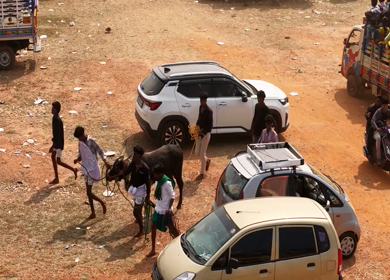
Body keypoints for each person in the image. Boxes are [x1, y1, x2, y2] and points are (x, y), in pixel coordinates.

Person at [73, 126, 109, 219]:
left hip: (93, 168)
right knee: (88, 192)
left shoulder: (92, 141)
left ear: (83, 134)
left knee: (89, 192)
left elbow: (100, 151)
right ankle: (93, 212)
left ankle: (102, 202)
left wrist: (105, 161)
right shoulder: (80, 143)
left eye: (79, 137)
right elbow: (81, 154)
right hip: (86, 169)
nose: (79, 139)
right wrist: (77, 159)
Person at [147, 163, 180, 257]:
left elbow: (172, 196)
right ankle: (153, 249)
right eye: (154, 174)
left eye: (156, 174)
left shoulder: (167, 183)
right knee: (153, 226)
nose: (155, 175)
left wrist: (169, 208)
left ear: (161, 174)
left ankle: (180, 245)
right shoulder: (157, 181)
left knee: (173, 230)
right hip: (158, 209)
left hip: (165, 211)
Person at [124, 145, 151, 238]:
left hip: (141, 192)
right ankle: (140, 219)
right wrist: (118, 174)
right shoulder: (133, 164)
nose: (133, 156)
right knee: (137, 211)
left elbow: (148, 183)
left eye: (135, 154)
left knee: (136, 212)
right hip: (134, 190)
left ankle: (141, 230)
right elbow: (126, 172)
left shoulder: (145, 168)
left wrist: (148, 196)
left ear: (139, 155)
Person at [49, 101, 77, 185]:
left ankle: (73, 170)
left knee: (58, 161)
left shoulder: (57, 120)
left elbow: (58, 134)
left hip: (58, 143)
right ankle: (57, 178)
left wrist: (54, 145)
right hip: (58, 142)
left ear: (57, 110)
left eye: (53, 108)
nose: (52, 109)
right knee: (54, 158)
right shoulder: (55, 118)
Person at [195, 92, 213, 180]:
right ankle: (207, 160)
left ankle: (202, 173)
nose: (202, 102)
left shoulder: (209, 111)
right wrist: (196, 127)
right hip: (199, 133)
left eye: (203, 101)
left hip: (206, 135)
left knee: (202, 154)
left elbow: (210, 126)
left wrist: (202, 130)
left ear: (206, 101)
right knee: (197, 153)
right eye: (201, 101)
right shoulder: (200, 108)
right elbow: (199, 119)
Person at [371, 97, 390, 165]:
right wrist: (376, 128)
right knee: (378, 138)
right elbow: (373, 120)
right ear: (381, 105)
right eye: (384, 105)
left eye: (386, 105)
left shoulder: (389, 112)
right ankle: (378, 158)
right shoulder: (378, 112)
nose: (385, 107)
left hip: (385, 130)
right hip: (377, 131)